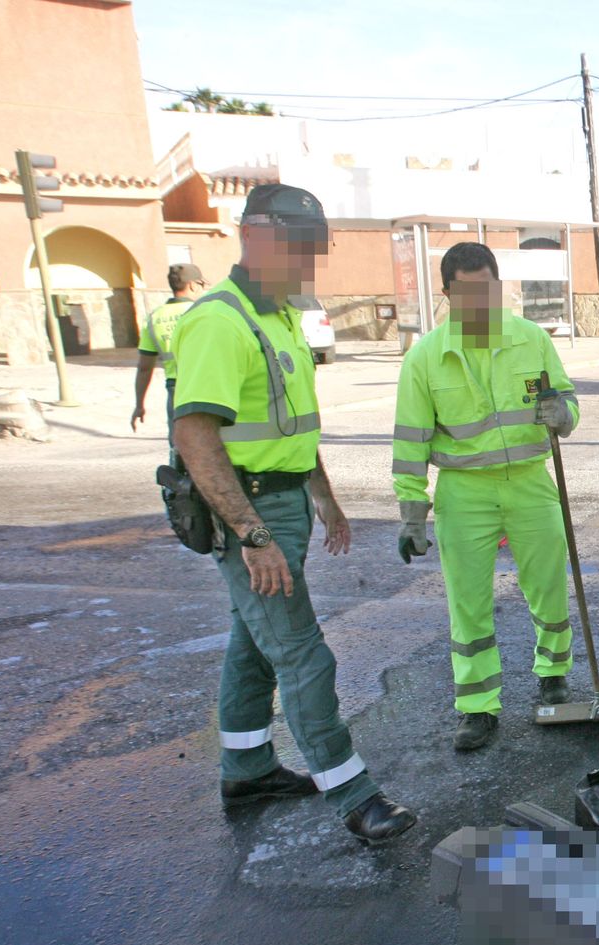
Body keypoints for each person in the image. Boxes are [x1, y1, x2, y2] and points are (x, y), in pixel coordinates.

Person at [171, 183, 417, 844]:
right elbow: (196, 436)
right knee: (305, 656)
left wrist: (325, 498)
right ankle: (355, 796)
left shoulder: (278, 318)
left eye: (314, 250)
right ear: (252, 236)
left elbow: (289, 429)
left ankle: (247, 768)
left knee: (253, 645)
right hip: (248, 510)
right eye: (295, 247)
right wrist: (250, 534)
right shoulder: (219, 320)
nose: (306, 263)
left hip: (284, 500)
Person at [392, 241, 579, 752]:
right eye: (467, 293)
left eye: (488, 290)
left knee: (548, 586)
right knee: (469, 603)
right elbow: (410, 442)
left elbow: (565, 398)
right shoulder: (426, 358)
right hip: (464, 491)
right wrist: (412, 514)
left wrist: (563, 414)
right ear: (448, 294)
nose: (479, 303)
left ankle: (554, 672)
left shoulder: (531, 339)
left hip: (529, 481)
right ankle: (477, 705)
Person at [131, 263, 205, 444]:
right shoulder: (203, 312)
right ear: (194, 285)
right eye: (202, 285)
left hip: (175, 388)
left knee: (180, 444)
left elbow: (144, 367)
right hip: (204, 383)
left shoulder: (155, 318)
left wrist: (139, 404)